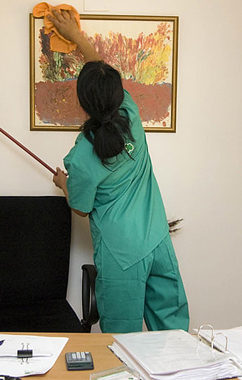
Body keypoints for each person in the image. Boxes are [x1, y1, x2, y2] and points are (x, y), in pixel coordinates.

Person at [48, 9, 189, 333]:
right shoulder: (131, 114)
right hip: (157, 239)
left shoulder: (83, 156)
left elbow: (81, 208)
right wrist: (79, 37)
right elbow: (103, 75)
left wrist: (63, 183)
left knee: (121, 343)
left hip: (122, 255)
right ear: (115, 93)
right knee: (174, 334)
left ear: (84, 103)